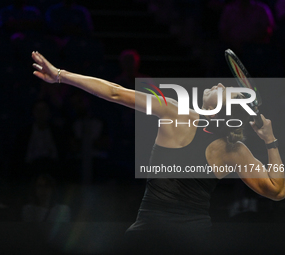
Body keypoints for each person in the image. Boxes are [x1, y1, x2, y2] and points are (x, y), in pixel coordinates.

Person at [31, 51, 284, 254]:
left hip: (147, 234)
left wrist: (61, 75)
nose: (219, 83)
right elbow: (278, 191)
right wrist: (270, 141)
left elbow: (115, 92)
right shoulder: (236, 150)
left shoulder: (175, 112)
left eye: (224, 89)